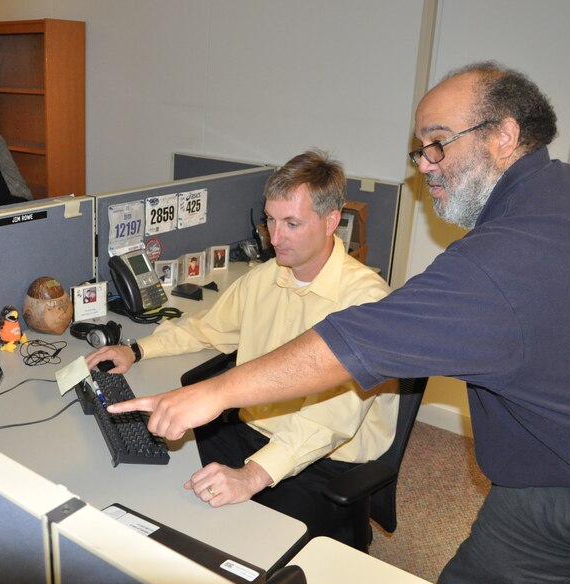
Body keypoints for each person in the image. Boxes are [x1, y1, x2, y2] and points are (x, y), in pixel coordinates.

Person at [110, 62, 570, 584]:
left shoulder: (498, 258)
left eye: (438, 143)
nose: (424, 165)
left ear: (504, 135)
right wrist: (139, 352)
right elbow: (211, 329)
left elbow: (344, 353)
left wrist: (218, 395)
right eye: (420, 149)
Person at [87, 149, 397, 541]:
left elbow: (328, 423)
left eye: (292, 223)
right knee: (162, 475)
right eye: (270, 219)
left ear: (330, 221)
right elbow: (207, 329)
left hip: (324, 455)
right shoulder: (268, 276)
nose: (275, 237)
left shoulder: (365, 302)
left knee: (253, 544)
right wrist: (136, 350)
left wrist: (251, 475)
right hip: (255, 427)